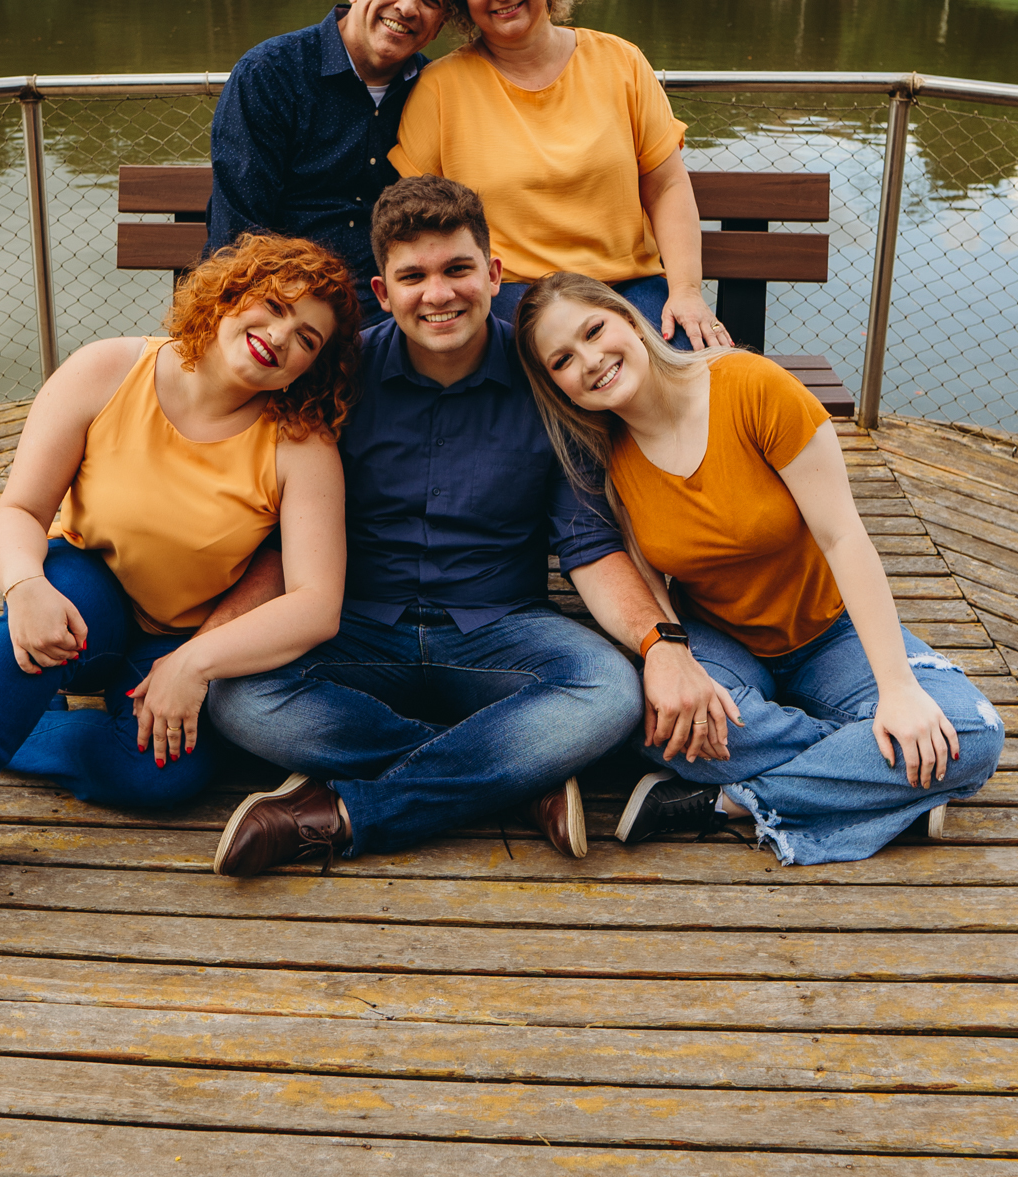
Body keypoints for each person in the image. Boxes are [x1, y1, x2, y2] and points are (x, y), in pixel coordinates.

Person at [0, 233, 359, 990]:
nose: (281, 337)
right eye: (273, 306)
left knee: (159, 778)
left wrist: (193, 663)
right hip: (83, 593)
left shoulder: (300, 446)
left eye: (307, 338)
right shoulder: (109, 369)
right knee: (36, 641)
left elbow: (316, 604)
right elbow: (20, 509)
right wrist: (25, 586)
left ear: (315, 363)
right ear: (228, 293)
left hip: (181, 634)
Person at [207, 176, 736, 877]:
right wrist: (205, 645)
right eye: (413, 277)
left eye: (457, 269)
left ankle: (345, 812)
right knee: (237, 696)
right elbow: (280, 534)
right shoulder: (339, 374)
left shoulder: (547, 376)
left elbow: (587, 543)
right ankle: (518, 771)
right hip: (354, 628)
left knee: (609, 692)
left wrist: (661, 643)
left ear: (492, 274)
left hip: (500, 632)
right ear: (383, 291)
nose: (438, 294)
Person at [515, 270, 1004, 864]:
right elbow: (648, 577)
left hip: (829, 631)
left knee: (973, 732)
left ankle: (729, 801)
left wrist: (899, 691)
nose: (591, 360)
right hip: (720, 639)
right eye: (563, 360)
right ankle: (885, 782)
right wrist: (675, 659)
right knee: (661, 722)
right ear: (557, 387)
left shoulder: (750, 386)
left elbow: (844, 537)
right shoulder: (602, 454)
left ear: (631, 322)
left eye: (594, 331)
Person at [388, 0, 732, 352]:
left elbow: (667, 186)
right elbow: (414, 217)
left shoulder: (621, 62)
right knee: (556, 377)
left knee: (691, 373)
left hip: (629, 288)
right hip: (511, 296)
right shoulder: (439, 88)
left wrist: (686, 292)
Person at [206, 0, 454, 320]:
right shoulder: (270, 74)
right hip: (281, 306)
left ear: (439, 24)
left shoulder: (436, 91)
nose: (408, 7)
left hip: (397, 317)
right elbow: (240, 236)